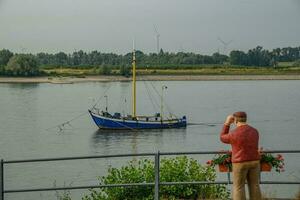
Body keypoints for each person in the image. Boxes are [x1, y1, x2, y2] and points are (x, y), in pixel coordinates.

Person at [220, 111, 261, 200]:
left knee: (239, 187)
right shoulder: (255, 131)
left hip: (240, 163)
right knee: (255, 186)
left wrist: (227, 123)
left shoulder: (233, 133)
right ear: (246, 119)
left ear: (235, 121)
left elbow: (222, 137)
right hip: (255, 161)